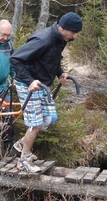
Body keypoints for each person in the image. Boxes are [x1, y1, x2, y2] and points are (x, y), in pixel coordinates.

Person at [10, 12, 83, 173]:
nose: (75, 36)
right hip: (28, 84)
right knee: (35, 124)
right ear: (63, 28)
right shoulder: (43, 39)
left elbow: (52, 60)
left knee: (50, 118)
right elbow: (16, 59)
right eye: (74, 32)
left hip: (42, 84)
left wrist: (60, 73)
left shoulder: (60, 40)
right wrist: (30, 81)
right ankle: (24, 160)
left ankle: (22, 144)